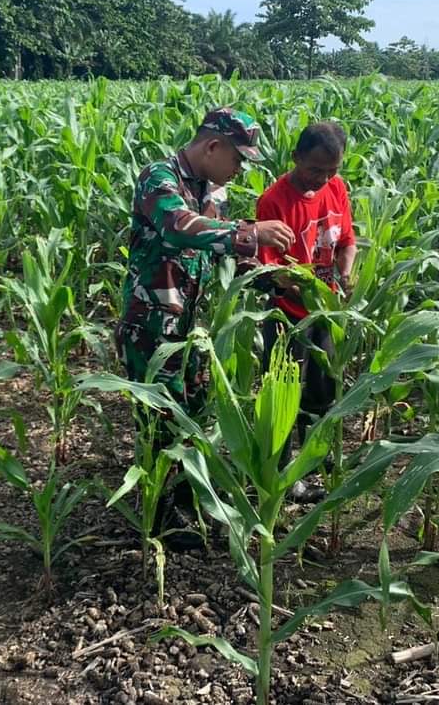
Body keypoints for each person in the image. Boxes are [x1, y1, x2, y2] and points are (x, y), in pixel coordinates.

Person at [115, 107, 295, 547]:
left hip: (189, 327)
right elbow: (180, 228)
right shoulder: (158, 178)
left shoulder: (210, 192)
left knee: (190, 411)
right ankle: (157, 519)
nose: (240, 169)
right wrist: (249, 231)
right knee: (158, 419)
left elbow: (219, 247)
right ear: (213, 146)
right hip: (151, 326)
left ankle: (183, 496)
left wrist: (269, 277)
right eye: (238, 159)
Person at [256, 122, 356, 503]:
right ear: (296, 157)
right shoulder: (274, 201)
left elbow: (346, 241)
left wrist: (344, 275)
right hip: (288, 315)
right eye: (316, 169)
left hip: (325, 311)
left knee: (323, 389)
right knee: (284, 394)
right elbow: (273, 271)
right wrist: (311, 291)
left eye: (332, 170)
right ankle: (282, 472)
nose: (324, 178)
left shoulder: (336, 187)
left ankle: (316, 458)